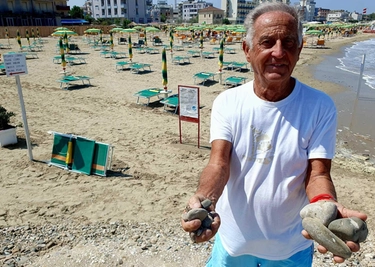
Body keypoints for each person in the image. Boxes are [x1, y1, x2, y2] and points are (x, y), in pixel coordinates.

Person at [181, 2, 368, 267]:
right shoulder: (228, 101)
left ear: (300, 49)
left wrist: (325, 204)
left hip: (291, 247)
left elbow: (318, 173)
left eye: (288, 43)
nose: (278, 53)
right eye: (267, 42)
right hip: (234, 243)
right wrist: (204, 200)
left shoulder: (320, 105)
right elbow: (219, 162)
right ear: (247, 50)